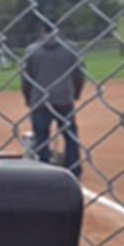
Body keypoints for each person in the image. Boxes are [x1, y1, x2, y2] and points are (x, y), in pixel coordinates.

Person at [20, 26, 85, 177]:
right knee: (70, 135)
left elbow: (25, 79)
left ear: (42, 30)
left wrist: (28, 98)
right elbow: (79, 75)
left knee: (41, 135)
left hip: (40, 100)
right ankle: (74, 167)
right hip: (64, 99)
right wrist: (75, 93)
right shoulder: (70, 48)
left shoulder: (31, 50)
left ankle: (43, 169)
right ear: (58, 29)